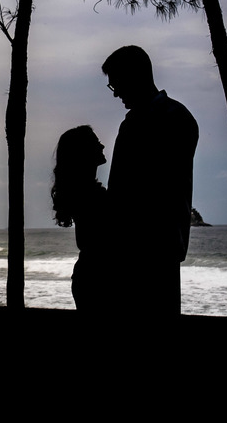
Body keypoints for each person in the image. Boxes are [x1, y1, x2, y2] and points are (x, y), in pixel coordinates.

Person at [102, 46, 198, 322]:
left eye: (116, 83)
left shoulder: (172, 119)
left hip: (153, 248)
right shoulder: (160, 118)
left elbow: (148, 188)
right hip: (145, 247)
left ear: (134, 76)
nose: (116, 92)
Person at [51, 125, 115, 311]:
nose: (102, 146)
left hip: (89, 276)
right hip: (97, 279)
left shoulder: (83, 190)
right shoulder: (87, 194)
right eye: (96, 142)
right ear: (83, 151)